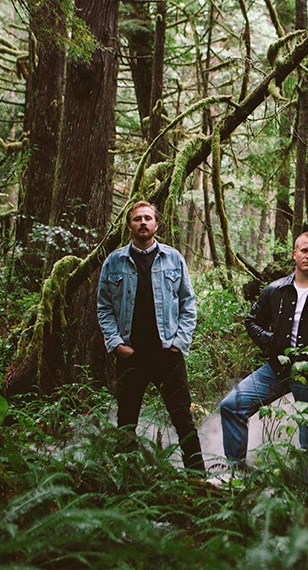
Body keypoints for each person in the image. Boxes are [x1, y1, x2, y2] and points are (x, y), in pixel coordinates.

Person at [220, 231, 308, 467]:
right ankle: (236, 476)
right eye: (304, 250)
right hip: (276, 368)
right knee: (232, 406)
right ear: (294, 254)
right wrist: (270, 340)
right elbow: (252, 320)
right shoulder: (275, 289)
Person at [97, 200, 206, 475]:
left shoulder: (173, 258)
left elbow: (188, 304)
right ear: (129, 225)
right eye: (137, 219)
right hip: (131, 354)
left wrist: (179, 344)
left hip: (167, 353)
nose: (143, 223)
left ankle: (197, 478)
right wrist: (116, 344)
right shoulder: (114, 261)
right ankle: (124, 481)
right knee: (126, 421)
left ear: (156, 224)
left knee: (182, 419)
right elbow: (104, 307)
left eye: (148, 218)